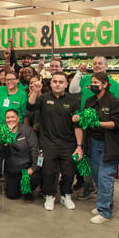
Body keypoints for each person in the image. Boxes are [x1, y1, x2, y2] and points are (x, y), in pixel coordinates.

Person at [27, 72, 83, 211]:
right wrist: (35, 91)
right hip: (47, 143)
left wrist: (79, 146)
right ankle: (49, 196)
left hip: (68, 144)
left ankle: (66, 195)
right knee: (48, 172)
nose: (57, 84)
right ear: (51, 83)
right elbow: (30, 106)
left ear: (66, 84)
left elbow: (77, 125)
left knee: (69, 172)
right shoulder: (43, 98)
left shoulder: (73, 100)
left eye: (60, 82)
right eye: (55, 81)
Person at [78, 72, 119, 224]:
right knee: (97, 176)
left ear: (105, 84)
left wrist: (97, 123)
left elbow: (116, 124)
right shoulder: (90, 101)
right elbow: (85, 118)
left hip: (108, 144)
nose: (93, 85)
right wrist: (79, 118)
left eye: (96, 82)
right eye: (92, 82)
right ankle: (103, 204)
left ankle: (105, 211)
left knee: (105, 177)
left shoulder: (113, 101)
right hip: (92, 142)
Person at [0, 70, 27, 195]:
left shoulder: (22, 95)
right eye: (7, 79)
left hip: (14, 132)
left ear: (17, 81)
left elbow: (24, 114)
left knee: (13, 158)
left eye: (12, 79)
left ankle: (14, 182)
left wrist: (24, 132)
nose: (9, 81)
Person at [0, 109, 40, 201]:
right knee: (12, 195)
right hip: (12, 170)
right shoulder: (3, 131)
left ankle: (29, 191)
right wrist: (6, 133)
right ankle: (18, 186)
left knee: (34, 178)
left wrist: (33, 168)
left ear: (18, 118)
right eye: (8, 117)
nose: (10, 119)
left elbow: (35, 150)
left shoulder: (27, 130)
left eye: (13, 117)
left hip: (27, 169)